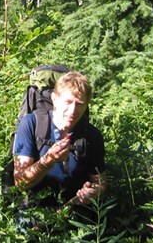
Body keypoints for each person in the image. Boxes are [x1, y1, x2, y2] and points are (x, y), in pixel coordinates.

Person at [13, 71, 107, 216]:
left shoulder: (91, 135)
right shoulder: (32, 124)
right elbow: (20, 182)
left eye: (80, 104)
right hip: (33, 211)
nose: (73, 110)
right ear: (54, 99)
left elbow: (100, 181)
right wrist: (47, 161)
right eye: (68, 102)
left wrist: (93, 191)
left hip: (75, 211)